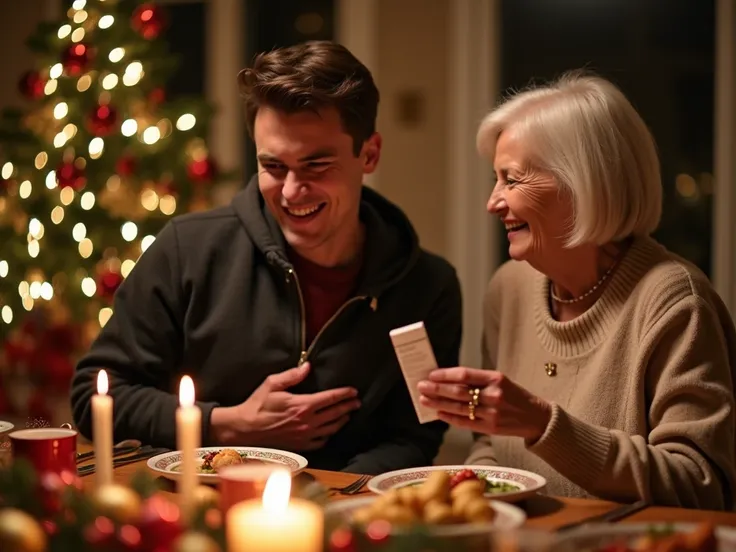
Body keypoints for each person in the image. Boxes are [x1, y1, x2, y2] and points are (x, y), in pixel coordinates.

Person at [70, 41, 462, 474]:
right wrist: (229, 425)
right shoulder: (188, 249)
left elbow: (414, 437)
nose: (293, 191)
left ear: (369, 154)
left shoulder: (428, 285)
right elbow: (94, 398)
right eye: (273, 166)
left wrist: (330, 498)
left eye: (316, 165)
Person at [417, 72, 736, 510]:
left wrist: (544, 424)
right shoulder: (508, 289)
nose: (493, 201)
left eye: (511, 180)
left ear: (583, 185)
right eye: (496, 179)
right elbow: (490, 449)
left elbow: (699, 486)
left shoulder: (677, 302)